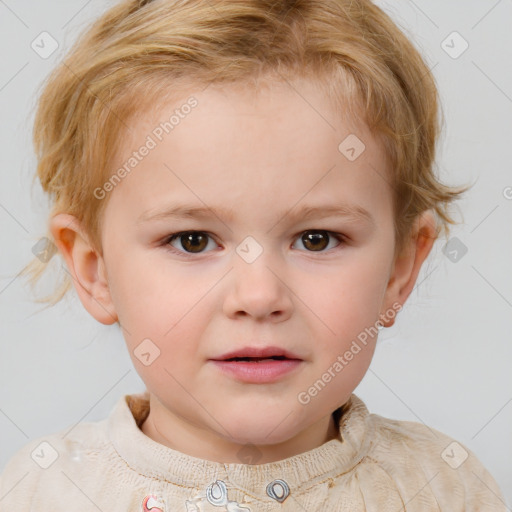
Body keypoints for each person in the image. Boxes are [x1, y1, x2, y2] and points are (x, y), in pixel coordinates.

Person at [0, 0, 507, 510]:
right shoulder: (43, 493)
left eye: (317, 239)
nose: (259, 296)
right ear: (96, 271)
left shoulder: (445, 488)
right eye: (192, 240)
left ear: (400, 269)